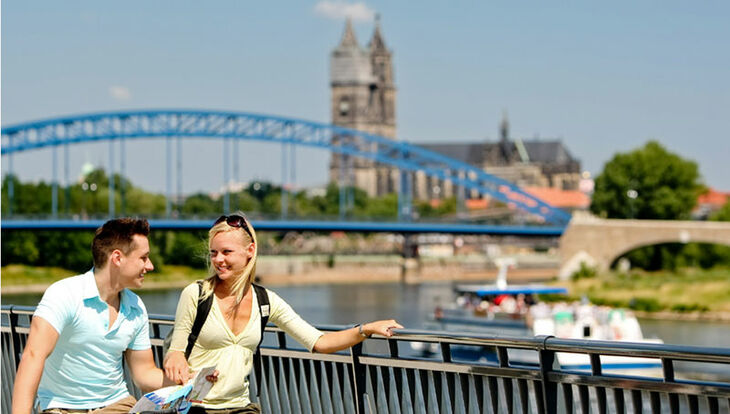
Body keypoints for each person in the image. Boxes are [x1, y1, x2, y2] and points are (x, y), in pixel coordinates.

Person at [164, 213, 403, 413]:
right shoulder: (196, 294)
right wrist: (183, 368)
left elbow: (319, 342)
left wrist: (366, 329)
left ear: (250, 250)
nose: (219, 260)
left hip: (241, 407)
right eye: (214, 253)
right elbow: (175, 354)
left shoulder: (265, 301)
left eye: (226, 252)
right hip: (196, 408)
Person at [12, 218, 184, 413]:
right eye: (143, 258)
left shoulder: (136, 307)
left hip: (118, 406)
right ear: (117, 258)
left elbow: (144, 374)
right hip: (65, 409)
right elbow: (33, 356)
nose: (150, 266)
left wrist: (188, 380)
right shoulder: (64, 294)